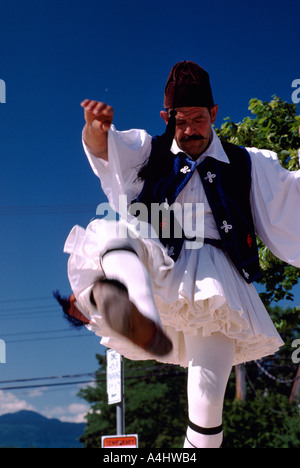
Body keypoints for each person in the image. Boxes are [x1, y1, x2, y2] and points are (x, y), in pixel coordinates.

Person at [63, 61, 300, 448]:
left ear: (215, 114)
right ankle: (140, 311)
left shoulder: (247, 162)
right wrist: (95, 127)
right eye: (180, 120)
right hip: (159, 255)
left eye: (198, 119)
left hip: (216, 278)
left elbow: (292, 196)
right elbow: (106, 150)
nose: (189, 129)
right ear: (166, 116)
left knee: (207, 406)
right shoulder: (148, 149)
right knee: (114, 233)